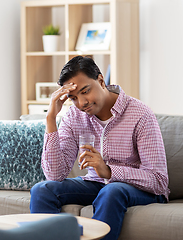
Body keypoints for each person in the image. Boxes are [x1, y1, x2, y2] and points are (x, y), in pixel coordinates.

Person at [30, 56, 170, 240]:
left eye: (85, 91)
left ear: (101, 80)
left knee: (112, 191)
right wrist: (51, 118)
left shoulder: (140, 114)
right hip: (97, 185)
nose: (81, 103)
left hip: (140, 190)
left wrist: (109, 171)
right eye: (73, 98)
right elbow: (55, 175)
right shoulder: (73, 117)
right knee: (42, 190)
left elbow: (158, 181)